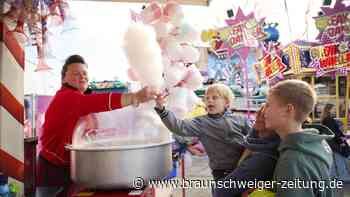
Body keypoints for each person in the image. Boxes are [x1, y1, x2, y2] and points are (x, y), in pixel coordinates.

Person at [36, 55, 158, 197]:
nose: (82, 77)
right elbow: (96, 102)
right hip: (53, 173)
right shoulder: (66, 97)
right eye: (76, 73)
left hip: (70, 168)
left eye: (84, 73)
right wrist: (134, 97)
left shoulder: (79, 98)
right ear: (64, 79)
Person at [155, 83, 251, 182]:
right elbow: (178, 126)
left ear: (226, 102)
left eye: (214, 98)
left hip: (244, 167)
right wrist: (162, 110)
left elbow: (255, 136)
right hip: (222, 172)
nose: (209, 100)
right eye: (207, 98)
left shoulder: (240, 120)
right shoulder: (201, 122)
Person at [264, 79, 334, 196]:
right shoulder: (317, 142)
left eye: (268, 105)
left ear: (288, 109)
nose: (264, 111)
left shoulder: (292, 161)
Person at [214, 105, 280, 197]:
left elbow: (221, 191)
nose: (258, 114)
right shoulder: (256, 142)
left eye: (263, 114)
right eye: (259, 111)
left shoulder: (262, 158)